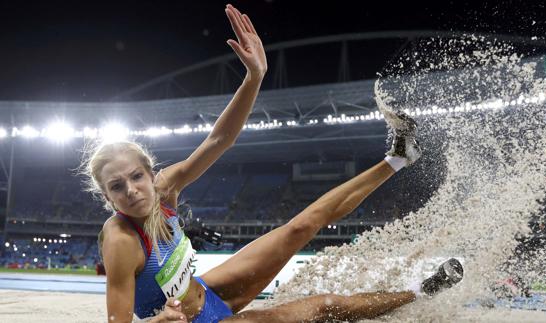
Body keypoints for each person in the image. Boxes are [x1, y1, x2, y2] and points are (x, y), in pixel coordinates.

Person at [84, 5, 463, 323]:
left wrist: (254, 76)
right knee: (324, 306)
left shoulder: (166, 188)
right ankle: (419, 290)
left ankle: (398, 159)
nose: (131, 190)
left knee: (301, 225)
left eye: (136, 177)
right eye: (117, 186)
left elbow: (219, 140)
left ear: (152, 175)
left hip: (209, 292)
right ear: (106, 196)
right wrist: (156, 321)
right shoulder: (120, 241)